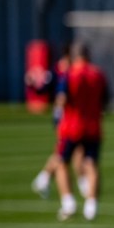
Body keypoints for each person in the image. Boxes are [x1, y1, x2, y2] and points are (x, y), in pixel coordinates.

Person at [53, 42, 109, 221]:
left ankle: (68, 203)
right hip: (93, 126)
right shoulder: (98, 74)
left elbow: (61, 98)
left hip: (71, 127)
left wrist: (57, 117)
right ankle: (91, 207)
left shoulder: (70, 75)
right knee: (91, 164)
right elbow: (106, 101)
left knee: (62, 163)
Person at [29, 44, 88, 200]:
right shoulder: (59, 71)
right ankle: (45, 178)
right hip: (64, 117)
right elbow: (44, 89)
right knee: (67, 151)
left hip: (71, 117)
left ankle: (45, 178)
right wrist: (32, 84)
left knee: (73, 151)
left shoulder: (70, 71)